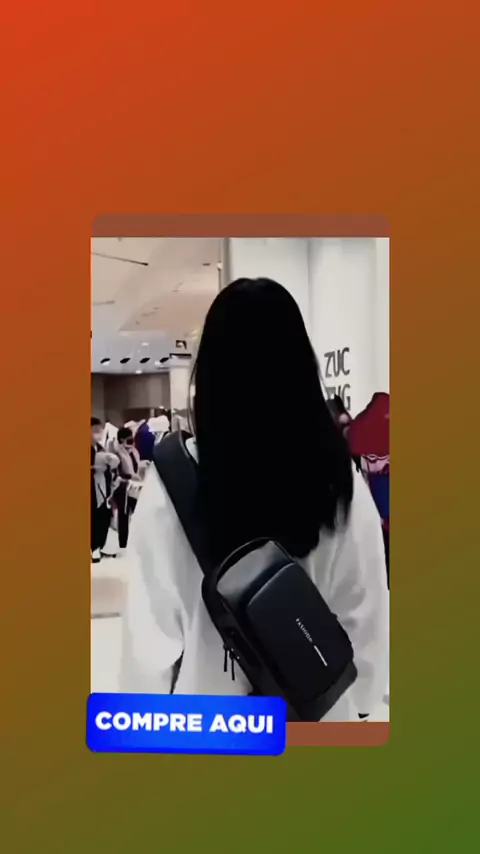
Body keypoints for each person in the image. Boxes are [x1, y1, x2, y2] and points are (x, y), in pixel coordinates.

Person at [120, 278, 388, 720]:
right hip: (321, 732)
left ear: (209, 375)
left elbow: (146, 656)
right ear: (302, 368)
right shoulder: (340, 482)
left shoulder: (172, 485)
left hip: (210, 734)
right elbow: (368, 634)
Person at [91, 417, 119, 563]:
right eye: (95, 430)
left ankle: (99, 546)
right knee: (94, 518)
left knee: (103, 517)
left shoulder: (100, 448)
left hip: (103, 487)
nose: (99, 434)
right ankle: (94, 547)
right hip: (92, 489)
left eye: (100, 430)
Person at [112, 427, 142, 554]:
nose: (132, 442)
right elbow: (116, 472)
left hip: (134, 487)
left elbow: (136, 467)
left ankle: (136, 541)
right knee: (123, 515)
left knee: (137, 512)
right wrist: (129, 477)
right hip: (122, 487)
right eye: (129, 440)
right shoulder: (115, 453)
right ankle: (123, 544)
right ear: (121, 440)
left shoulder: (133, 451)